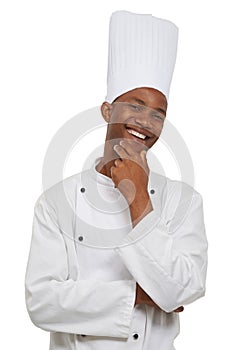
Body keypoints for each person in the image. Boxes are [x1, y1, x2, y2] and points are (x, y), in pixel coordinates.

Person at [25, 10, 208, 350]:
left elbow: (179, 290)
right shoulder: (56, 202)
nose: (146, 122)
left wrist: (138, 195)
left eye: (158, 114)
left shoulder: (184, 201)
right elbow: (41, 303)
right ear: (108, 110)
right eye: (135, 106)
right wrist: (137, 294)